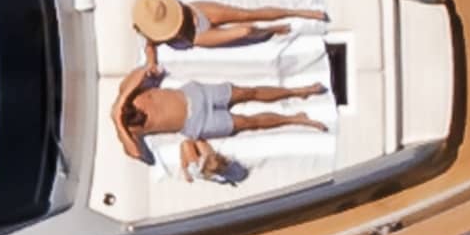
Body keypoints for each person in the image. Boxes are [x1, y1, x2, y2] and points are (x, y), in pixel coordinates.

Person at [110, 62, 327, 164]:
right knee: (248, 123)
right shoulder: (128, 131)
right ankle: (296, 119)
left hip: (195, 95)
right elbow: (136, 154)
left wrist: (124, 98)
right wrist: (120, 124)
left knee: (247, 92)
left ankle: (300, 91)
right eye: (138, 119)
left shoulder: (128, 93)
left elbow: (140, 71)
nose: (142, 116)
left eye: (137, 112)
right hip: (196, 123)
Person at [132, 0, 327, 58]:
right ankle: (271, 29)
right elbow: (150, 48)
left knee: (247, 14)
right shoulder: (152, 34)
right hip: (197, 36)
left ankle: (299, 12)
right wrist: (151, 64)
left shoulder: (148, 0)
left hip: (196, 11)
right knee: (245, 31)